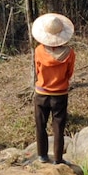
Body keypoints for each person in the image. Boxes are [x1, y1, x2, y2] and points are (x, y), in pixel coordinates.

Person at [31, 13, 75, 163]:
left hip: (42, 93)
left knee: (40, 125)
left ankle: (42, 155)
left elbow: (37, 70)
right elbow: (69, 73)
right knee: (59, 127)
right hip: (60, 93)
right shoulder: (69, 53)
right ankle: (57, 158)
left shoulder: (38, 51)